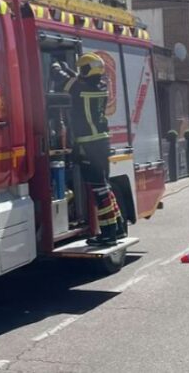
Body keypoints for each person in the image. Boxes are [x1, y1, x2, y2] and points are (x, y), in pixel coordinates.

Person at [50, 53, 124, 246]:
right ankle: (118, 227)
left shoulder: (78, 88)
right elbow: (77, 80)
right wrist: (70, 69)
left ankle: (108, 234)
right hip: (102, 142)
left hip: (88, 144)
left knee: (99, 189)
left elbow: (60, 78)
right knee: (105, 186)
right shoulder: (100, 86)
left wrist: (56, 64)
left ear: (85, 70)